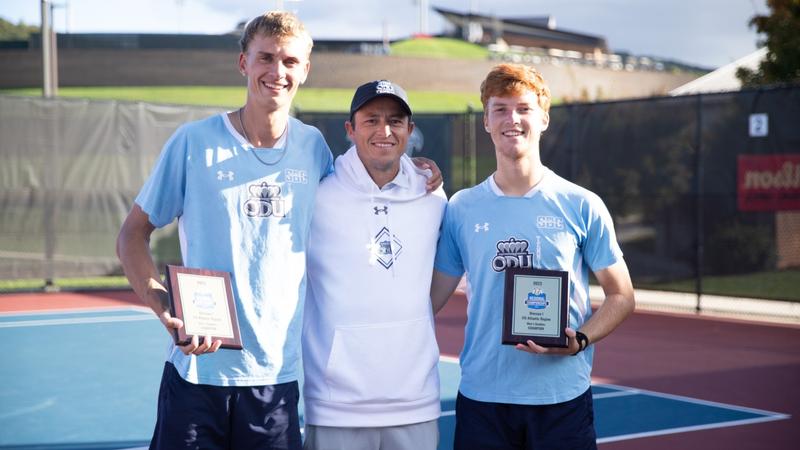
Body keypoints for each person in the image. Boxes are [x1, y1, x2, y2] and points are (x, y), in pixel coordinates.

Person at [116, 11, 441, 450]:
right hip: (197, 374)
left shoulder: (312, 149)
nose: (277, 71)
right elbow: (133, 233)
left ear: (305, 70)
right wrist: (161, 304)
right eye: (265, 58)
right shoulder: (193, 142)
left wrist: (413, 167)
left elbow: (364, 181)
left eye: (290, 61)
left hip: (276, 383)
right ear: (243, 63)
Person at [430, 63, 636, 450]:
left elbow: (622, 295)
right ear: (486, 122)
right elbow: (428, 300)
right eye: (500, 109)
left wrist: (580, 340)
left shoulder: (582, 204)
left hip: (561, 399)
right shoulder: (462, 207)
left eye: (524, 108)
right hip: (483, 400)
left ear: (543, 118)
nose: (513, 119)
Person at [302, 80, 446, 450]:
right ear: (350, 129)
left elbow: (444, 273)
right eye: (371, 120)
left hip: (416, 402)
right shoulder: (317, 195)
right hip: (336, 406)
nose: (384, 131)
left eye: (396, 121)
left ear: (410, 131)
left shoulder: (433, 195)